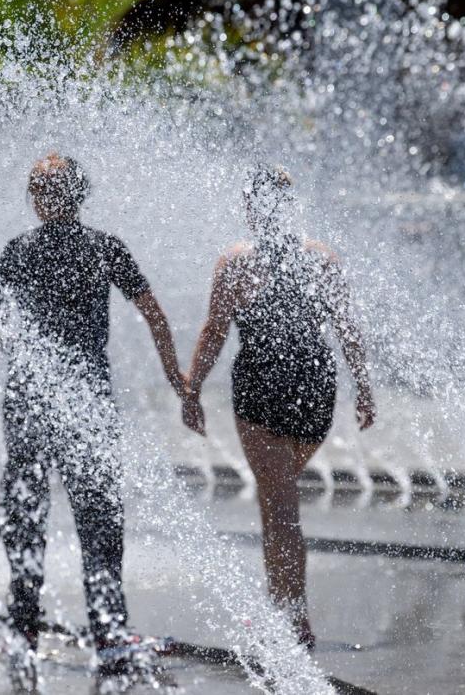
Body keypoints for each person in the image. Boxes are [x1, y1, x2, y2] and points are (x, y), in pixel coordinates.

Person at [0, 154, 188, 686]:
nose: (40, 196)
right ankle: (108, 632)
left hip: (30, 400)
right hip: (85, 403)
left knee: (27, 513)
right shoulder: (103, 247)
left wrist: (31, 358)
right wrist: (176, 379)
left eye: (42, 188)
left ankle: (24, 627)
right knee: (97, 521)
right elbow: (154, 314)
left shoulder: (19, 252)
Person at [180, 165, 375, 649]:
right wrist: (365, 388)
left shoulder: (237, 262)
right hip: (315, 390)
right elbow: (347, 329)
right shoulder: (322, 259)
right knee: (277, 502)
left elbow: (215, 330)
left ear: (251, 208)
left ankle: (295, 620)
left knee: (281, 507)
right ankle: (279, 609)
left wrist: (192, 388)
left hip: (262, 393)